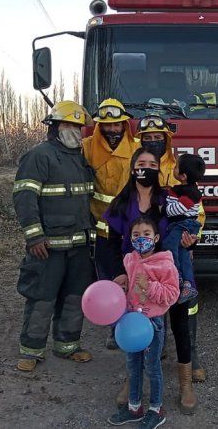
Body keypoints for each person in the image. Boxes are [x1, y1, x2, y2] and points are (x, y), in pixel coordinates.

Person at [104, 148, 199, 414]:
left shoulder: (169, 197)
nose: (146, 167)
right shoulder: (121, 203)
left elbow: (189, 227)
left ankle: (185, 384)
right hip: (135, 275)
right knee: (136, 324)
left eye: (152, 163)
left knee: (180, 323)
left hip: (170, 272)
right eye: (141, 163)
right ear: (133, 167)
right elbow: (108, 244)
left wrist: (191, 244)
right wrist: (118, 273)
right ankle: (130, 382)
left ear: (159, 168)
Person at [13, 100, 96, 372]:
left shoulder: (82, 158)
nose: (74, 130)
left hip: (81, 244)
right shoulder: (40, 156)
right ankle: (31, 350)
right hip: (48, 247)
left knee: (75, 297)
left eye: (78, 126)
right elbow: (25, 197)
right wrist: (34, 236)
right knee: (42, 297)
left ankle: (67, 345)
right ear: (54, 126)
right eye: (68, 124)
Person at [135, 116, 208, 383]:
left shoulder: (178, 166)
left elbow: (196, 212)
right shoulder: (139, 164)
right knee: (153, 301)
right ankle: (157, 351)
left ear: (167, 139)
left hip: (178, 245)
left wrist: (192, 238)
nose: (152, 142)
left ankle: (192, 359)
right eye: (147, 137)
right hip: (147, 250)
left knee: (185, 307)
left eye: (158, 137)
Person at [107, 217, 180, 428]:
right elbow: (129, 287)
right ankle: (134, 407)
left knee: (152, 368)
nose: (141, 239)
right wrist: (122, 287)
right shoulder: (129, 260)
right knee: (133, 366)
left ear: (156, 238)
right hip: (131, 323)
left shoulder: (165, 264)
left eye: (146, 234)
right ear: (130, 238)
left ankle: (157, 409)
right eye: (136, 235)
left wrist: (149, 286)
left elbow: (172, 295)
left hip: (152, 324)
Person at [82, 98, 139, 350]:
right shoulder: (86, 148)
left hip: (132, 230)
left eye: (117, 125)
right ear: (99, 126)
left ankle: (138, 324)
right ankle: (115, 327)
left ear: (125, 124)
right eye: (107, 125)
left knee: (135, 277)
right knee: (108, 279)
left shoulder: (138, 148)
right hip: (102, 230)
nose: (113, 130)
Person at [163, 154, 206, 303]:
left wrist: (163, 209)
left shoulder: (191, 192)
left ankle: (177, 276)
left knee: (168, 246)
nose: (173, 169)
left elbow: (178, 208)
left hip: (183, 224)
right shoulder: (187, 188)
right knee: (184, 255)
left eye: (176, 167)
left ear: (183, 176)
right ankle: (188, 284)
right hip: (184, 224)